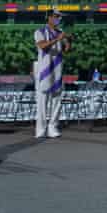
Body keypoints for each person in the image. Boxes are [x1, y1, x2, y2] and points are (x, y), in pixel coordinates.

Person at [33, 8, 71, 139]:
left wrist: (67, 42)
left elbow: (66, 50)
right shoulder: (40, 31)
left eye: (60, 17)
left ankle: (53, 127)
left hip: (58, 69)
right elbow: (43, 46)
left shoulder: (60, 32)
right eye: (56, 16)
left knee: (57, 100)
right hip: (44, 70)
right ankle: (41, 129)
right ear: (49, 17)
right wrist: (57, 39)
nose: (59, 19)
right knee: (42, 100)